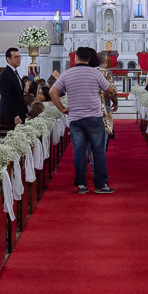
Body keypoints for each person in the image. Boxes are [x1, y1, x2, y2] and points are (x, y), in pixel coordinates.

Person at [50, 46, 116, 195]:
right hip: (94, 117)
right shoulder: (95, 73)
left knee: (79, 151)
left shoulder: (67, 74)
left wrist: (62, 108)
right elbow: (110, 90)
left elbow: (52, 92)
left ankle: (81, 185)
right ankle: (100, 185)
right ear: (89, 59)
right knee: (98, 151)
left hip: (76, 119)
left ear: (76, 58)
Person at [0, 47, 27, 128]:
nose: (19, 59)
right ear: (8, 59)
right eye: (16, 57)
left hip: (19, 112)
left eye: (19, 56)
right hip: (11, 116)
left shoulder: (14, 72)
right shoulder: (5, 74)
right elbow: (6, 98)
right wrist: (15, 116)